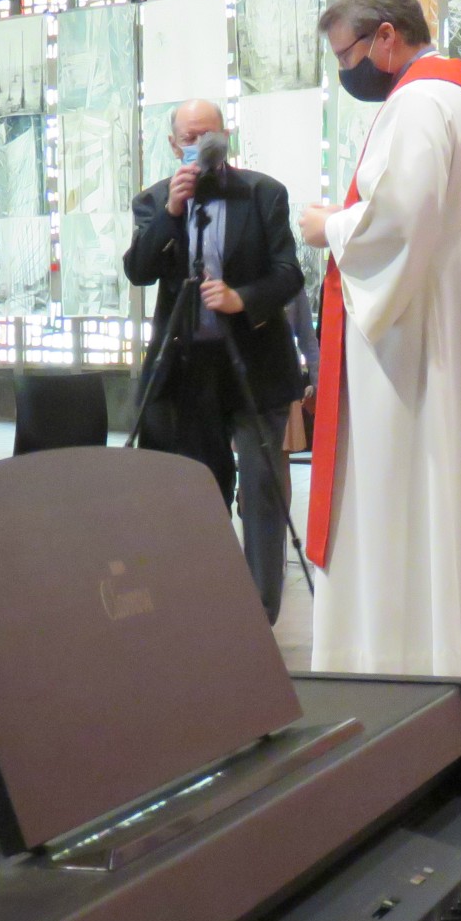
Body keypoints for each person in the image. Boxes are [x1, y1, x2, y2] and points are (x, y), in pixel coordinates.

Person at [299, 0, 461, 677]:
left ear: (386, 37)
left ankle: (410, 658)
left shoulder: (418, 103)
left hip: (420, 354)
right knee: (453, 500)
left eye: (347, 53)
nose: (346, 70)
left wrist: (332, 227)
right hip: (455, 335)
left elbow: (399, 222)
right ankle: (450, 651)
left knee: (413, 501)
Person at [123, 98, 305, 624]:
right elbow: (138, 270)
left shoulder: (265, 193)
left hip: (256, 364)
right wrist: (172, 214)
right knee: (201, 495)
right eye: (189, 136)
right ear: (172, 143)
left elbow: (290, 272)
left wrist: (242, 298)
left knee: (262, 492)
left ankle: (260, 615)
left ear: (225, 137)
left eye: (208, 135)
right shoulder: (154, 200)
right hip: (188, 373)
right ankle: (209, 607)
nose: (199, 145)